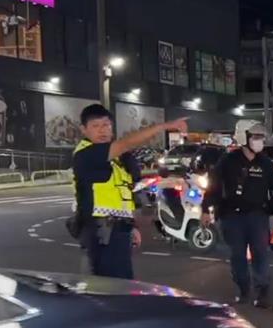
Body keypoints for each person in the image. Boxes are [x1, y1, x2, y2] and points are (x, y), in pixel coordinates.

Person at [72, 104, 188, 279]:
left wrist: (131, 226)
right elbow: (127, 143)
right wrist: (164, 126)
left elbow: (123, 193)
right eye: (95, 126)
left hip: (117, 230)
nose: (102, 130)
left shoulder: (117, 159)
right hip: (100, 232)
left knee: (122, 283)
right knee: (109, 287)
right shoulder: (86, 154)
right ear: (84, 130)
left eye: (106, 125)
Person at [202, 120, 273, 307]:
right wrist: (205, 210)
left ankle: (262, 292)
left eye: (261, 137)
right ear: (244, 137)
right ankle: (243, 290)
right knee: (237, 256)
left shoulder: (265, 163)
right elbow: (213, 186)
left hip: (258, 216)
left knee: (261, 254)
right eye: (255, 137)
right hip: (231, 217)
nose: (259, 141)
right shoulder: (227, 161)